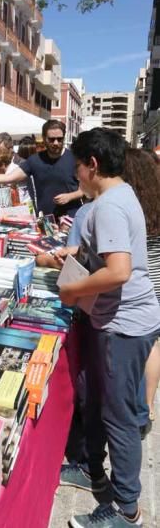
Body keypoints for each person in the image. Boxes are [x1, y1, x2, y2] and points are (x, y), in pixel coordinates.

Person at [58, 128, 160, 528]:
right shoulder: (119, 196)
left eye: (78, 167)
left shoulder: (108, 207)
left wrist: (71, 289)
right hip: (117, 322)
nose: (76, 175)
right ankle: (92, 470)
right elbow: (107, 254)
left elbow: (118, 271)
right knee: (103, 404)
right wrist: (66, 255)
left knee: (120, 416)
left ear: (93, 165)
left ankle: (126, 509)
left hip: (123, 327)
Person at [0, 120, 83, 219]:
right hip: (45, 221)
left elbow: (88, 190)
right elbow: (9, 177)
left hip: (71, 219)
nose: (56, 143)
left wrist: (70, 196)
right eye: (51, 139)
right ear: (43, 138)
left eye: (59, 139)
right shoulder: (34, 160)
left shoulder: (75, 159)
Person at [123, 147, 160, 434]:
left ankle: (137, 408)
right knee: (155, 347)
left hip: (142, 281)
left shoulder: (128, 204)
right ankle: (146, 407)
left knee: (139, 348)